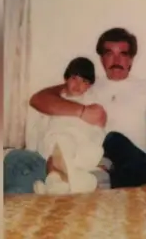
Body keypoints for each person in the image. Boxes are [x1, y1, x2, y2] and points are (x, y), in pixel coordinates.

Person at [4, 27, 146, 192]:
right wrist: (82, 111)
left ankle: (67, 185)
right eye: (109, 53)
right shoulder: (86, 86)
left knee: (113, 147)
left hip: (116, 165)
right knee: (16, 160)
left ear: (131, 59)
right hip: (75, 156)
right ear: (101, 58)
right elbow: (39, 99)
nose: (117, 60)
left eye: (123, 54)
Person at [33, 57, 106, 194]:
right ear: (66, 78)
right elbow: (44, 125)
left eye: (84, 81)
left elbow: (99, 124)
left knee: (61, 146)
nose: (78, 85)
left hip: (80, 144)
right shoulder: (56, 100)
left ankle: (53, 185)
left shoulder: (92, 99)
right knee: (58, 145)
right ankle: (72, 183)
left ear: (90, 85)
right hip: (56, 142)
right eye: (74, 78)